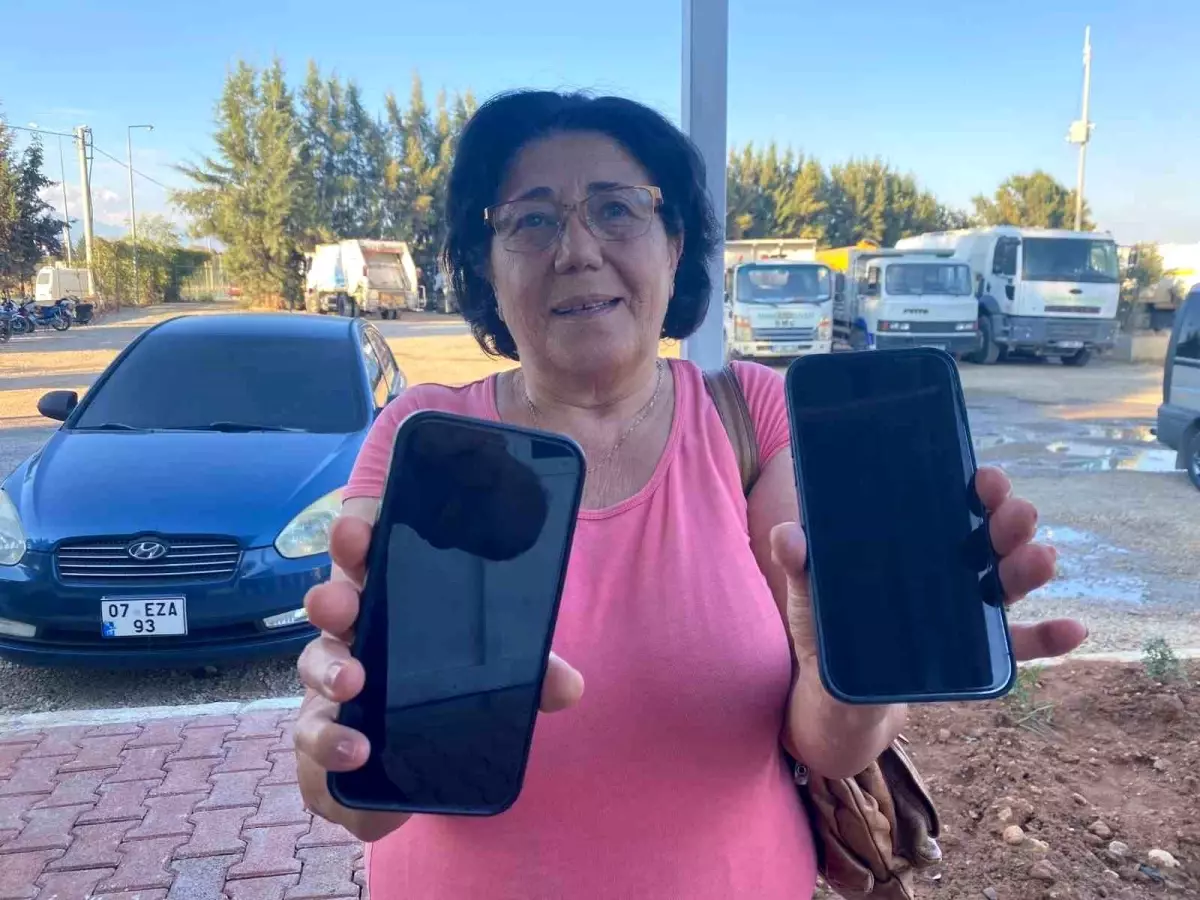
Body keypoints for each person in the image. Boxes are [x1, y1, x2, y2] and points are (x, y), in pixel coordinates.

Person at [296, 90, 1087, 899]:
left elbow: (826, 745)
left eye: (616, 209)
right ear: (485, 266)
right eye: (531, 220)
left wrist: (864, 678)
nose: (577, 249)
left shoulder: (754, 415)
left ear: (674, 246)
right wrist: (339, 754)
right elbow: (360, 806)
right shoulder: (425, 436)